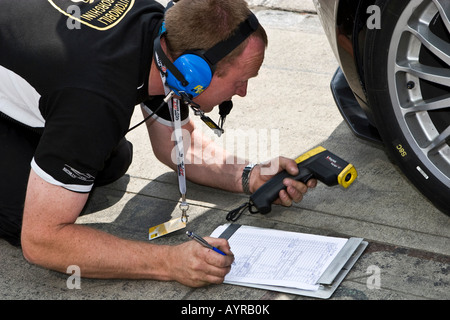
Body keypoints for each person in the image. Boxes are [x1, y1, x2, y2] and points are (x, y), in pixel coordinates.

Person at [0, 0, 316, 287]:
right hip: (78, 88)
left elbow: (177, 147)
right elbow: (42, 241)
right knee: (24, 212)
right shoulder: (95, 99)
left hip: (52, 69)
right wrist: (169, 263)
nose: (243, 91)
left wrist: (249, 175)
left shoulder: (162, 35)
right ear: (196, 73)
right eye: (241, 80)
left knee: (108, 161)